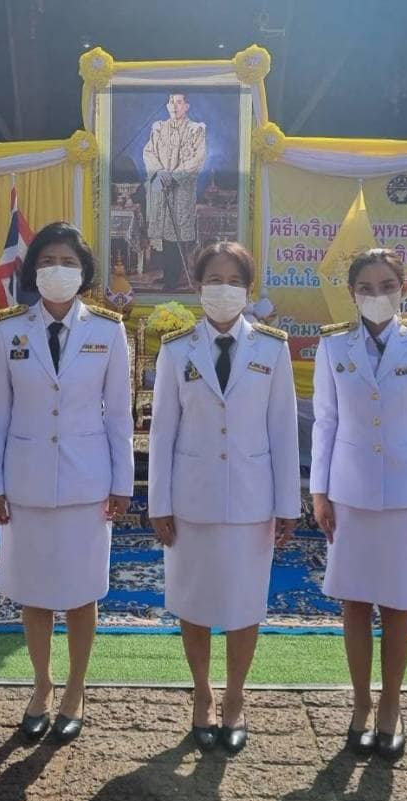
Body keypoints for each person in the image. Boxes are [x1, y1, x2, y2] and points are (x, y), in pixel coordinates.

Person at [0, 222, 134, 743]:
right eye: (47, 261)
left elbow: (119, 416)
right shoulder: (8, 330)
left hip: (86, 483)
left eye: (68, 262)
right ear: (33, 270)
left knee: (82, 592)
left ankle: (75, 688)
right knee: (34, 592)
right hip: (24, 482)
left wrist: (122, 483)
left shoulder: (107, 330)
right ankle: (42, 685)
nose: (57, 270)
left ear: (84, 271)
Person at [148, 241, 301, 754]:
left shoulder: (272, 349)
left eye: (235, 281)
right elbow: (162, 432)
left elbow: (283, 431)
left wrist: (288, 505)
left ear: (248, 290)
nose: (224, 289)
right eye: (214, 279)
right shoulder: (176, 349)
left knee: (243, 604)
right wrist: (159, 503)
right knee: (193, 601)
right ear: (197, 286)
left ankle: (235, 697)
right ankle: (203, 694)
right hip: (191, 500)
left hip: (252, 501)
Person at [310, 247, 407, 760]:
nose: (377, 296)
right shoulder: (333, 346)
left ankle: (391, 704)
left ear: (404, 288)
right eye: (366, 288)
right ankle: (361, 704)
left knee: (396, 606)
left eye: (387, 286)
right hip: (349, 494)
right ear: (352, 294)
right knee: (353, 604)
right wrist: (319, 491)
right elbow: (326, 423)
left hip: (406, 498)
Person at [142, 92, 206, 291]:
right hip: (160, 187)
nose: (174, 106)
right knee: (162, 234)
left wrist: (174, 176)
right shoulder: (158, 127)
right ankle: (167, 274)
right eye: (171, 102)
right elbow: (148, 152)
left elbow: (198, 159)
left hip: (181, 190)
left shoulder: (196, 129)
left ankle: (174, 278)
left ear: (186, 106)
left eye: (178, 102)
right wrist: (160, 171)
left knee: (175, 234)